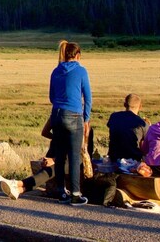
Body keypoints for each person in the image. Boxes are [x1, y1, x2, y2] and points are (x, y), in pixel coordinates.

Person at [49, 40, 92, 205]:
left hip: (57, 114)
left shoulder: (55, 71)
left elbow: (51, 97)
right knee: (74, 155)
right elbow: (87, 97)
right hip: (73, 115)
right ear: (78, 55)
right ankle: (75, 193)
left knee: (60, 155)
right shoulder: (81, 71)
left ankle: (61, 192)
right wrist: (86, 119)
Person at [101, 94, 148, 206]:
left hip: (114, 156)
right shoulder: (142, 123)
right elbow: (145, 143)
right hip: (133, 160)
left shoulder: (114, 116)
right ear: (140, 106)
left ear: (124, 104)